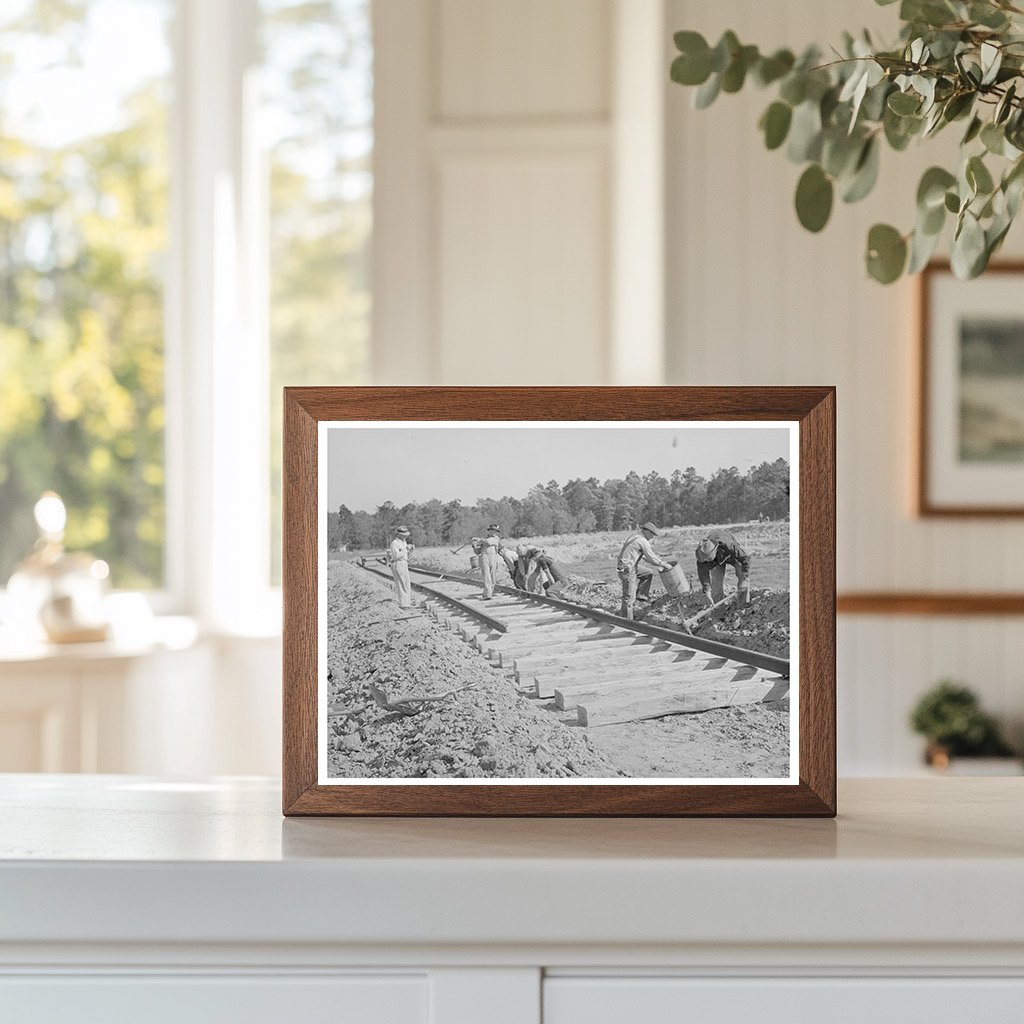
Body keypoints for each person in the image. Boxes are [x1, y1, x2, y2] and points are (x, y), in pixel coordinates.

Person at [616, 522, 671, 620]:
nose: (652, 537)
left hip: (625, 566)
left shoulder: (635, 537)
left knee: (647, 573)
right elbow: (651, 557)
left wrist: (657, 560)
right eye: (652, 534)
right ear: (647, 531)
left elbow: (644, 555)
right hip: (627, 569)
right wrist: (663, 564)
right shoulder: (642, 541)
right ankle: (627, 619)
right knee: (629, 596)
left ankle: (641, 598)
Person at [695, 529, 750, 607]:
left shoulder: (729, 545)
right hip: (716, 563)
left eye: (708, 558)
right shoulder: (702, 555)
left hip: (731, 556)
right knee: (716, 585)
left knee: (742, 573)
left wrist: (744, 577)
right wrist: (707, 591)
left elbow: (745, 558)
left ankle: (743, 604)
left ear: (714, 551)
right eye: (705, 559)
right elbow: (703, 574)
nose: (706, 561)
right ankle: (718, 612)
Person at [471, 523, 503, 600]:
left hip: (493, 559)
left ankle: (487, 593)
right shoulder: (484, 540)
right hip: (484, 558)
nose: (494, 532)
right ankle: (488, 595)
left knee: (493, 578)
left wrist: (479, 539)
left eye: (495, 531)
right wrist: (474, 546)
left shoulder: (496, 539)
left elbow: (489, 542)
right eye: (492, 530)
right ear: (489, 531)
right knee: (486, 576)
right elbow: (478, 552)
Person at [387, 525, 414, 609]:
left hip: (404, 563)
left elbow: (406, 555)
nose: (405, 536)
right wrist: (406, 550)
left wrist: (410, 550)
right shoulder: (394, 543)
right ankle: (404, 604)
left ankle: (407, 603)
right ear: (399, 534)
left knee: (406, 583)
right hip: (398, 564)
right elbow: (396, 556)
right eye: (404, 535)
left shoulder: (403, 542)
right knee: (401, 584)